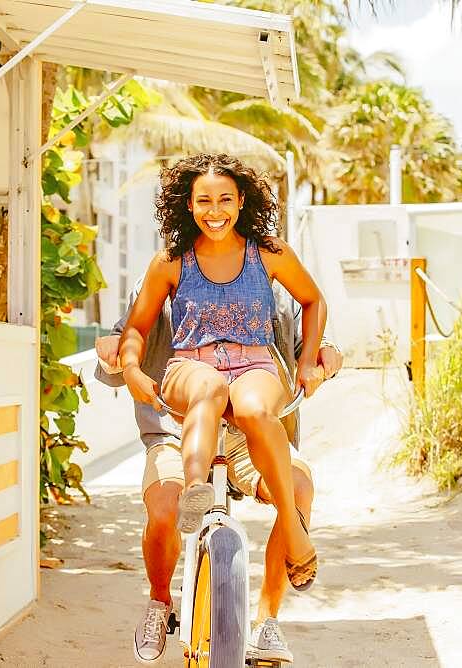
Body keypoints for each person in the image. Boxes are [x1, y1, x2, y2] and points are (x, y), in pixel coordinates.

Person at [116, 153, 329, 659]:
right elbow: (136, 327)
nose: (215, 211)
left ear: (242, 202)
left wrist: (304, 361)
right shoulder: (172, 260)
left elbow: (314, 301)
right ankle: (194, 495)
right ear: (187, 205)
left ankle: (271, 608)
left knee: (257, 411)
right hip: (192, 367)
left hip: (255, 364)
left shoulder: (269, 252)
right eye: (204, 200)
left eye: (225, 199)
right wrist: (130, 366)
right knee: (208, 386)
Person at [95, 281, 341, 664]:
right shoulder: (162, 283)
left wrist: (328, 352)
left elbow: (306, 338)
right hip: (176, 432)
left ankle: (266, 621)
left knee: (297, 489)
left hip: (247, 436)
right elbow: (126, 341)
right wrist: (111, 353)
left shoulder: (269, 287)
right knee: (162, 509)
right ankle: (160, 601)